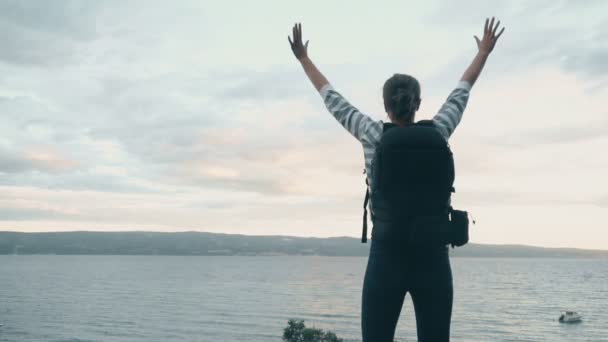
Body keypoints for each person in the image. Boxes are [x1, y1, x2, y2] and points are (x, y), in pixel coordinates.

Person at [289, 18, 504, 342]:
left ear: (386, 106)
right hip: (433, 258)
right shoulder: (440, 130)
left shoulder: (372, 133)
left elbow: (332, 99)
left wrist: (304, 60)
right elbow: (463, 90)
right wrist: (483, 52)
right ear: (418, 104)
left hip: (386, 256)